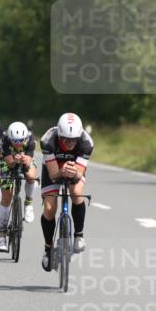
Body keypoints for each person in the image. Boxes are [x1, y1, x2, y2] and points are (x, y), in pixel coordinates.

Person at [39, 113, 93, 271]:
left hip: (75, 168)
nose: (70, 144)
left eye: (73, 141)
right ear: (59, 135)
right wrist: (61, 171)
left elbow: (79, 173)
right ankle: (48, 248)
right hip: (53, 168)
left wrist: (74, 173)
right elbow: (53, 175)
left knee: (76, 192)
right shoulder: (47, 140)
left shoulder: (86, 143)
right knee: (49, 208)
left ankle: (78, 235)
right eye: (66, 140)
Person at [0, 122, 38, 252]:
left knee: (31, 176)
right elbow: (10, 163)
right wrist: (15, 160)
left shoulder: (31, 140)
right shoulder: (4, 139)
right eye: (15, 141)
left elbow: (29, 160)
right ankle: (2, 235)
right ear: (10, 138)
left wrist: (25, 160)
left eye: (21, 141)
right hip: (7, 162)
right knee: (7, 196)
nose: (18, 144)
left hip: (25, 159)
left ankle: (28, 204)